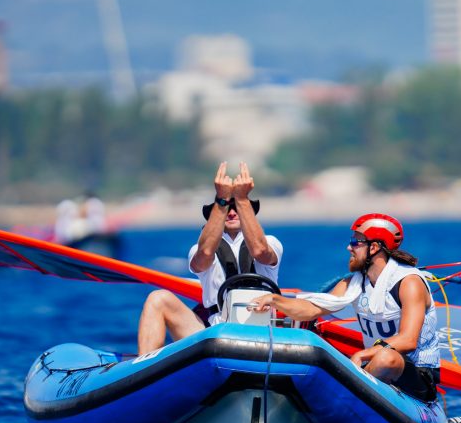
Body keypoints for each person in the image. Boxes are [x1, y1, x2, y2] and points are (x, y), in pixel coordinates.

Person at [250, 213, 439, 403]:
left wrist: (362, 355)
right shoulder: (354, 283)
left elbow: (408, 340)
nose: (349, 247)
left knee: (385, 358)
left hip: (416, 374)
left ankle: (346, 399)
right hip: (374, 366)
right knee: (373, 358)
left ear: (373, 247)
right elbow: (311, 308)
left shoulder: (409, 283)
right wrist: (274, 300)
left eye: (356, 242)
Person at [136, 162, 283, 354]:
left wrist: (242, 198)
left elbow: (260, 252)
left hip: (263, 330)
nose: (231, 212)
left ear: (247, 211)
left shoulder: (272, 242)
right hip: (216, 333)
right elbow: (204, 256)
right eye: (226, 207)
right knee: (158, 298)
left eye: (236, 207)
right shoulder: (200, 248)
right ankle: (145, 368)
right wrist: (221, 199)